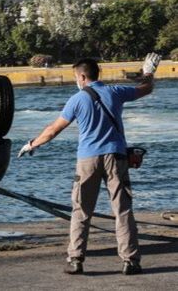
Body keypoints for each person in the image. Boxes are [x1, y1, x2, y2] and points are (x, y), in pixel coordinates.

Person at [18, 53, 161, 276]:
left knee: (81, 210)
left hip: (87, 160)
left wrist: (31, 144)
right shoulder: (116, 92)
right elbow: (146, 88)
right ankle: (131, 261)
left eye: (77, 77)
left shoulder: (77, 100)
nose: (77, 81)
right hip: (116, 157)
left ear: (83, 77)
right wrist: (149, 72)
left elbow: (54, 130)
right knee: (122, 210)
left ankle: (76, 260)